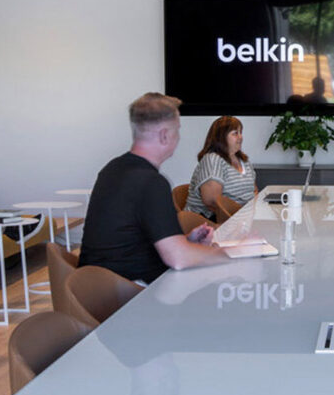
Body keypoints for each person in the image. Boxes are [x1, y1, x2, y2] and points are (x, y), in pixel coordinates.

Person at [78, 93, 229, 283]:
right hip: (127, 294)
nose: (178, 137)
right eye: (177, 130)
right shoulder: (151, 182)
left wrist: (186, 242)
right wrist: (230, 254)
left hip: (95, 287)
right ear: (165, 135)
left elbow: (130, 239)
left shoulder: (113, 168)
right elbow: (178, 259)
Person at [185, 116, 257, 219]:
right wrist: (240, 216)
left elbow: (254, 190)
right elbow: (212, 201)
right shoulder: (213, 159)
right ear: (221, 137)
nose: (240, 137)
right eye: (235, 133)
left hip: (241, 218)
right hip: (210, 221)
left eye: (241, 132)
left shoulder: (243, 160)